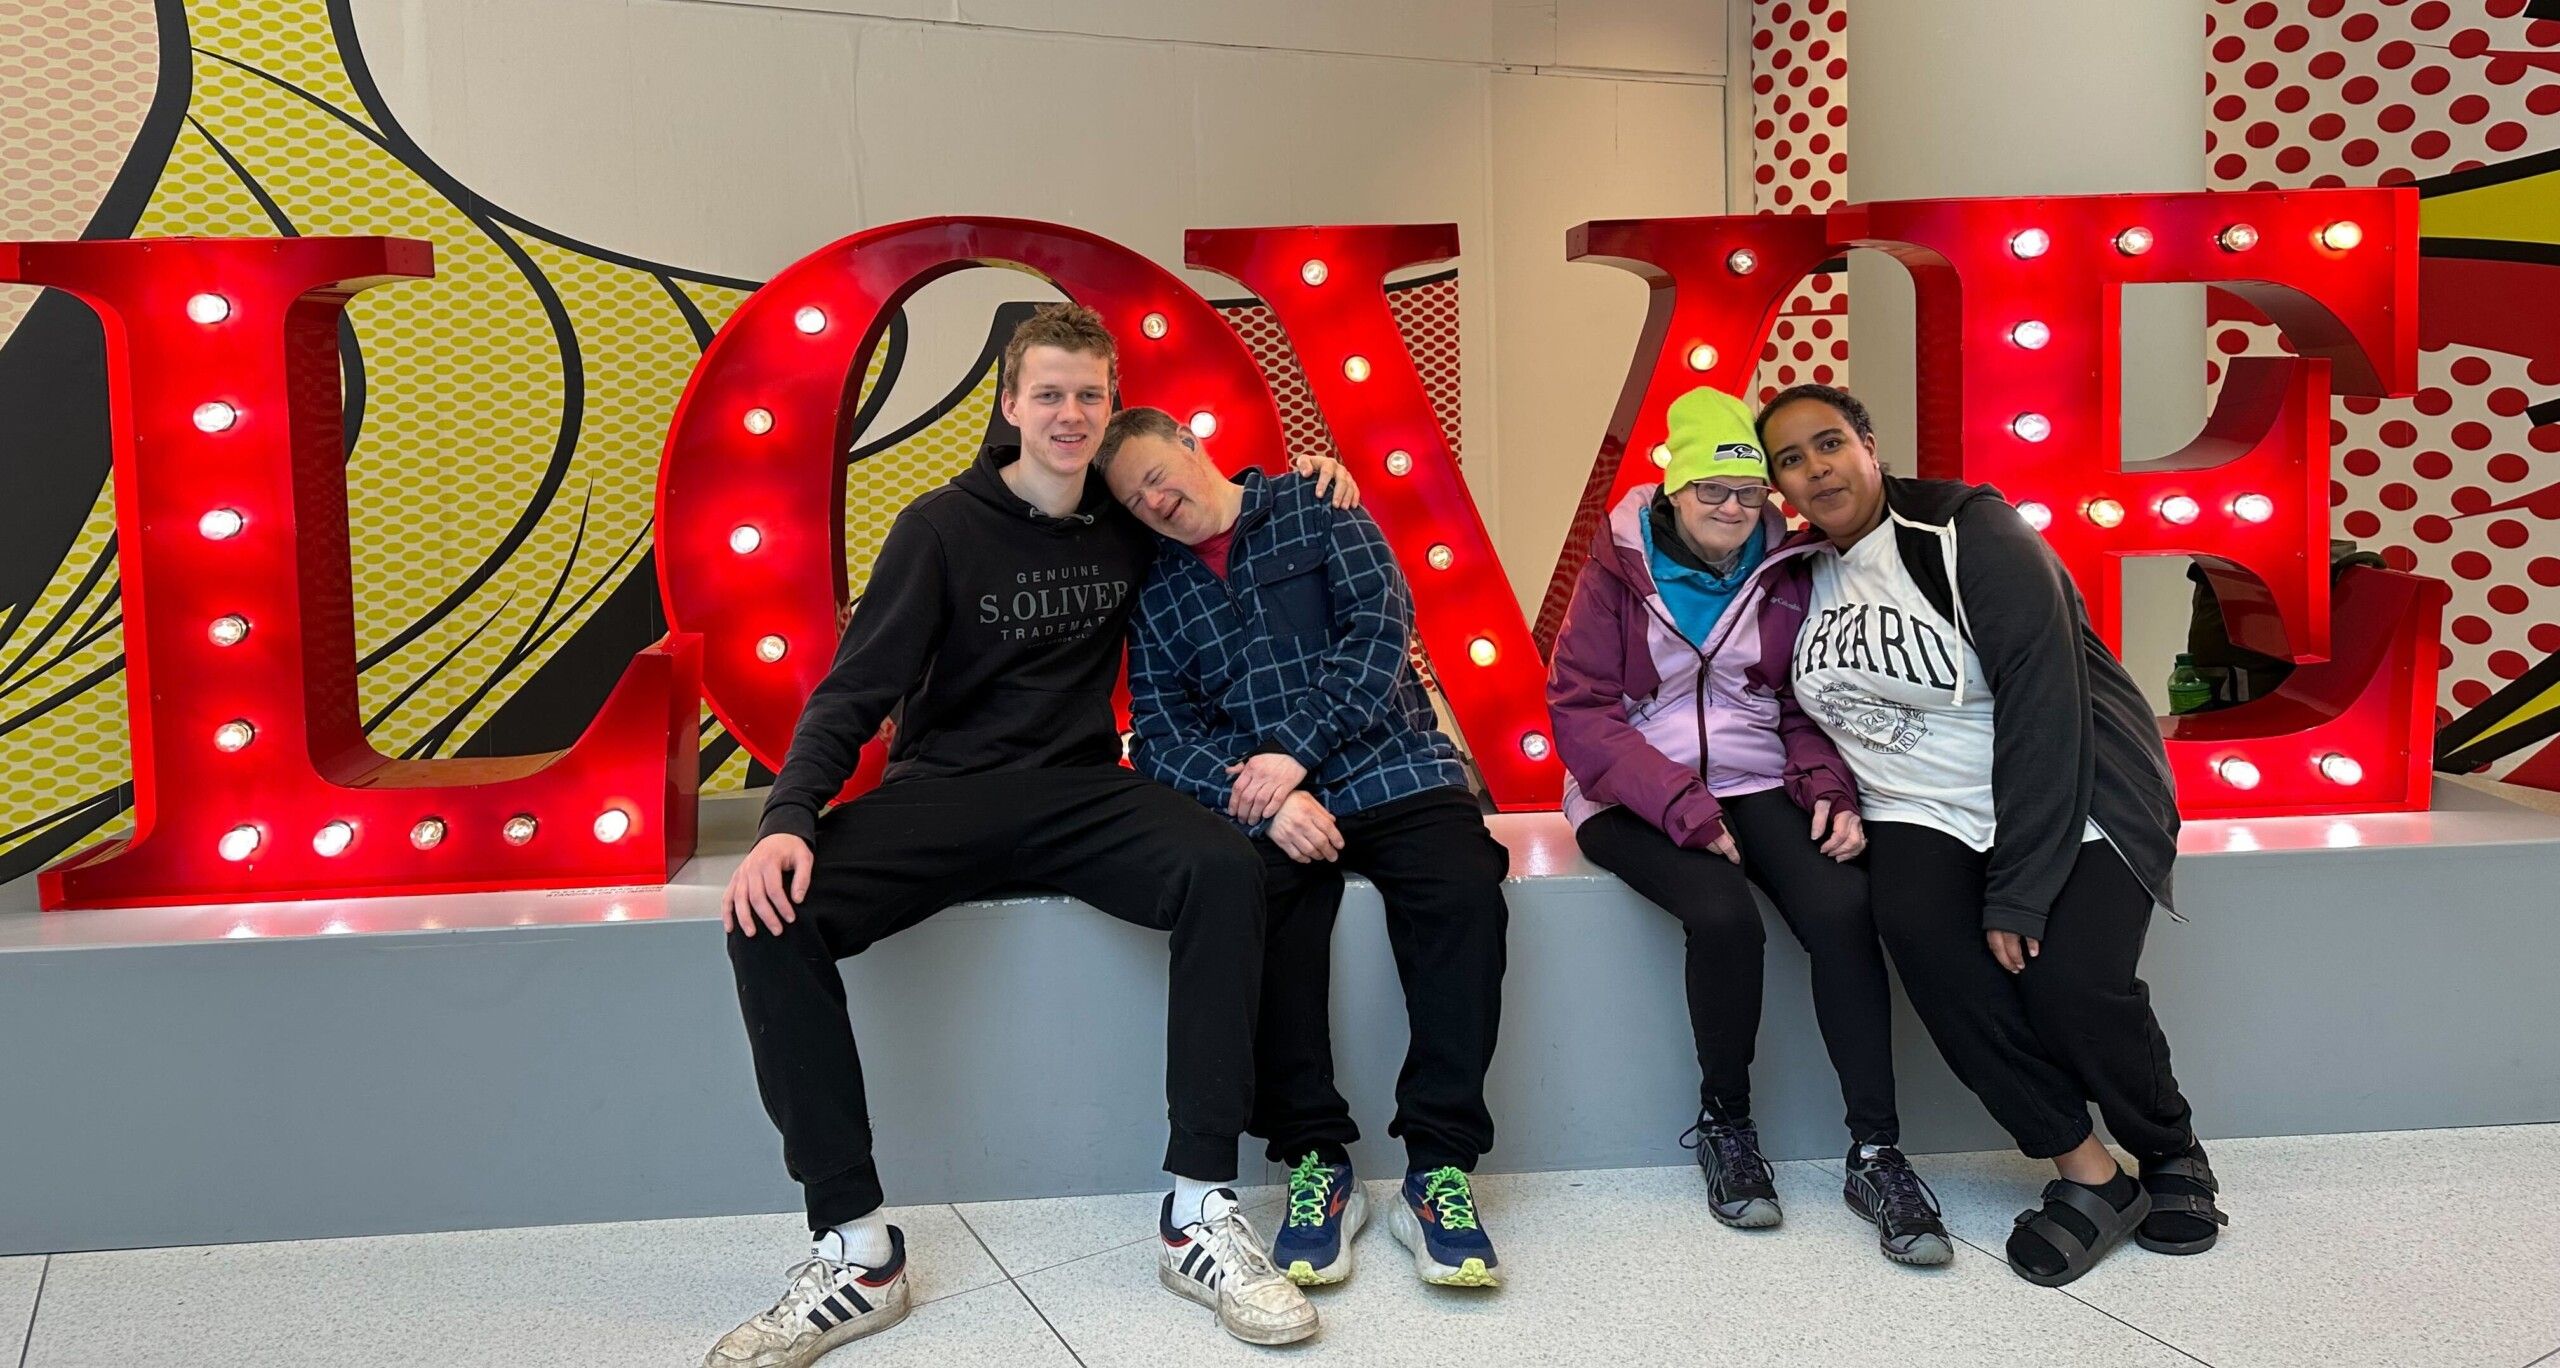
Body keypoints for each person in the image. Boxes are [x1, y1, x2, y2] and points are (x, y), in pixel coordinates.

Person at [706, 304, 1363, 1364]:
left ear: (1111, 411)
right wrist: (787, 819)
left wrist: (1310, 481)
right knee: (768, 922)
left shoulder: (1122, 517)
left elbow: (1214, 501)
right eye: (1048, 393)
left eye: (1088, 396)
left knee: (1222, 871)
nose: (1069, 413)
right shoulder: (937, 527)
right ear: (1009, 406)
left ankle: (1196, 1213)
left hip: (1080, 791)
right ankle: (857, 1252)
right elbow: (857, 687)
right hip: (949, 790)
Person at [1756, 382, 2228, 1288]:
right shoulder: (1799, 574)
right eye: (1790, 459)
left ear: (1868, 442)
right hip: (1918, 812)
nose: (1815, 469)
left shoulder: (1969, 532)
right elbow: (1787, 706)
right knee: (1945, 974)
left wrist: (2019, 884)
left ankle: (2170, 1152)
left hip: (2071, 791)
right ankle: (2086, 1174)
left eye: (1827, 444)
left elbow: (2048, 710)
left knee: (2070, 984)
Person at [1098, 406, 1513, 1293]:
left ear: (1191, 444)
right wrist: (1263, 795)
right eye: (1136, 500)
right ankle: (1314, 1158)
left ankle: (1439, 1166)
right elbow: (1162, 737)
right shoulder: (1157, 593)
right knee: (1255, 912)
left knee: (1466, 890)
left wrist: (1293, 752)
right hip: (1269, 800)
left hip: (1392, 765)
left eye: (1157, 475)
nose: (1158, 501)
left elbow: (1379, 636)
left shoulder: (1316, 504)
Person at [1546, 386, 1951, 1266]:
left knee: (1844, 912)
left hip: (1759, 778)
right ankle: (1726, 1129)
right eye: (1710, 492)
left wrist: (1828, 789)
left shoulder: (1790, 568)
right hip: (1629, 794)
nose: (1732, 509)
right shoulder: (1615, 571)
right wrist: (1683, 808)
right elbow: (1580, 714)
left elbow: (1806, 700)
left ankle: (1877, 1152)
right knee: (1722, 916)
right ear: (1674, 490)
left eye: (1746, 493)